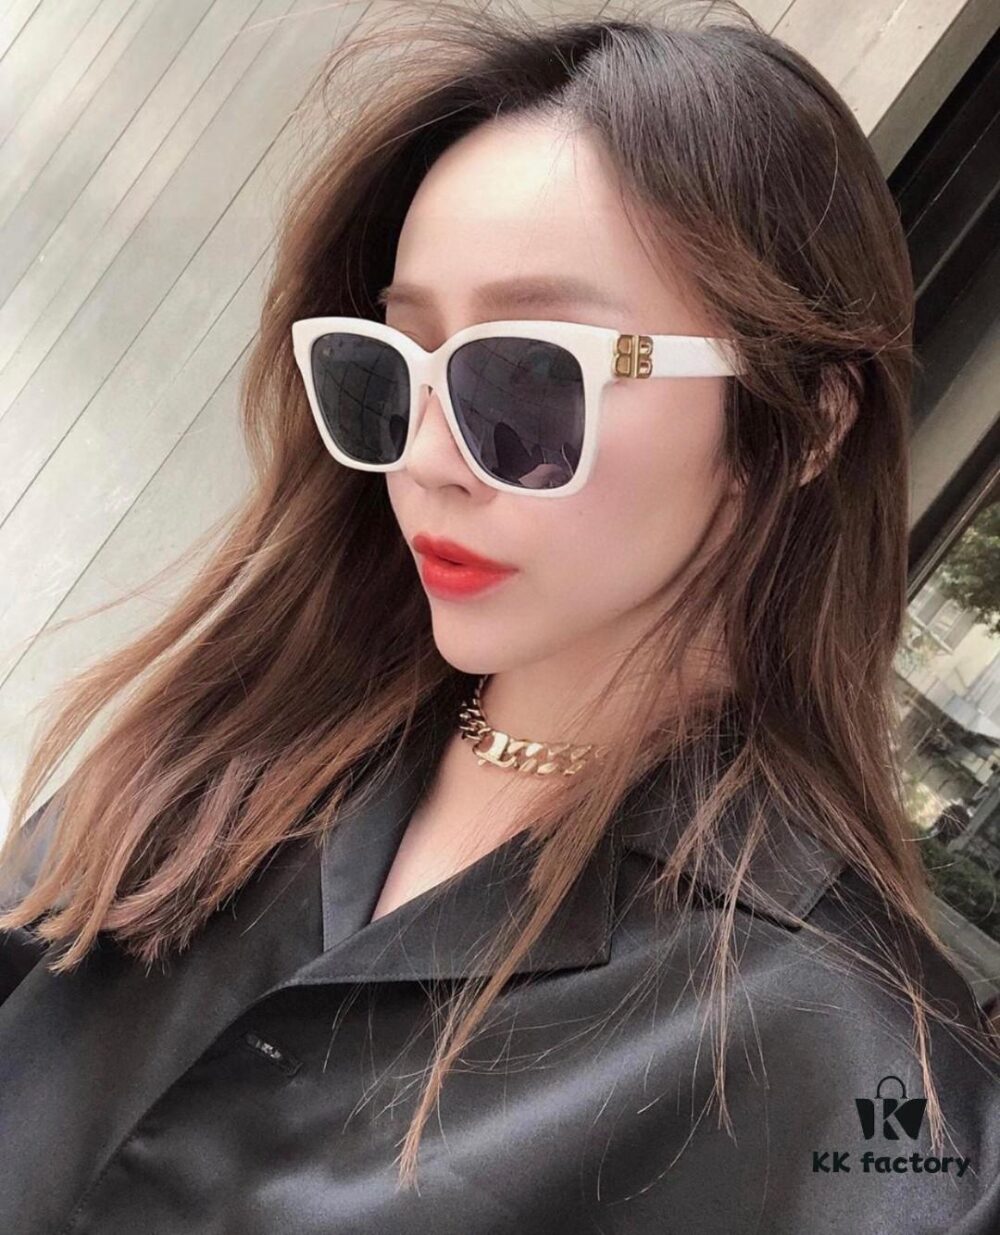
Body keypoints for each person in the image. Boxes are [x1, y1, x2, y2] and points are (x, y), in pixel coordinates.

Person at [1, 3, 997, 1232]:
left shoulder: (855, 1085)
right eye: (389, 368)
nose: (425, 457)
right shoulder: (235, 741)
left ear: (803, 423)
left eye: (527, 378)